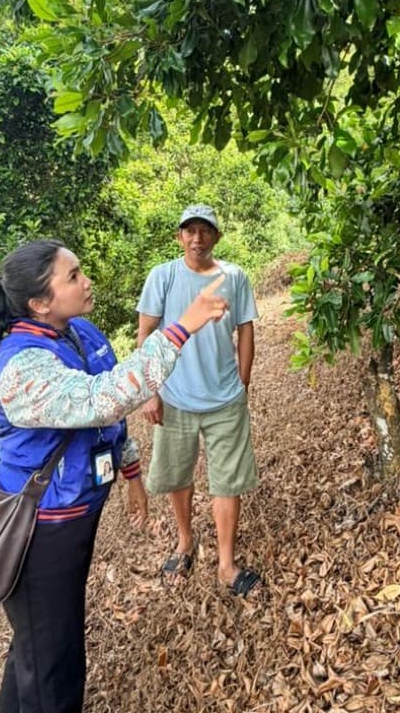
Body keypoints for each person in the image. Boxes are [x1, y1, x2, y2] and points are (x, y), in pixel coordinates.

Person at [0, 239, 227, 713]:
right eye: (73, 277)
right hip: (38, 532)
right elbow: (102, 398)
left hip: (73, 518)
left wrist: (132, 475)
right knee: (54, 664)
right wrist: (183, 326)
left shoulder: (78, 333)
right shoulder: (22, 366)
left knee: (38, 646)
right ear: (39, 303)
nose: (87, 282)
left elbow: (108, 420)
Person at [136, 204, 262, 598]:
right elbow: (145, 336)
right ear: (179, 237)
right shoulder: (164, 276)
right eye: (189, 231)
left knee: (227, 481)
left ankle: (226, 564)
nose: (197, 238)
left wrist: (242, 381)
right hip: (175, 396)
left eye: (205, 231)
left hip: (224, 398)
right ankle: (185, 542)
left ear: (216, 237)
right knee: (178, 474)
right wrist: (151, 391)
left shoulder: (235, 277)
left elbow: (245, 330)